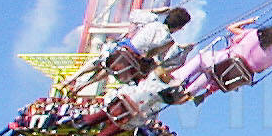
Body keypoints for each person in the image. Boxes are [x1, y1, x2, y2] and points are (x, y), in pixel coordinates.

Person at [64, 6, 192, 94]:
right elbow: (159, 59)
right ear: (179, 27)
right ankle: (83, 86)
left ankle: (72, 78)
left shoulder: (153, 21)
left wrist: (156, 11)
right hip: (133, 65)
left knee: (102, 60)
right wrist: (184, 51)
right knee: (110, 70)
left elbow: (133, 15)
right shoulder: (169, 41)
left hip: (125, 50)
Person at [170, 21, 272, 103]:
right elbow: (259, 70)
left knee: (201, 59)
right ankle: (188, 93)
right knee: (210, 76)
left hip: (220, 61)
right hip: (227, 77)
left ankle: (177, 78)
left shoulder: (254, 34)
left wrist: (248, 22)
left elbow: (233, 32)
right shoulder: (271, 58)